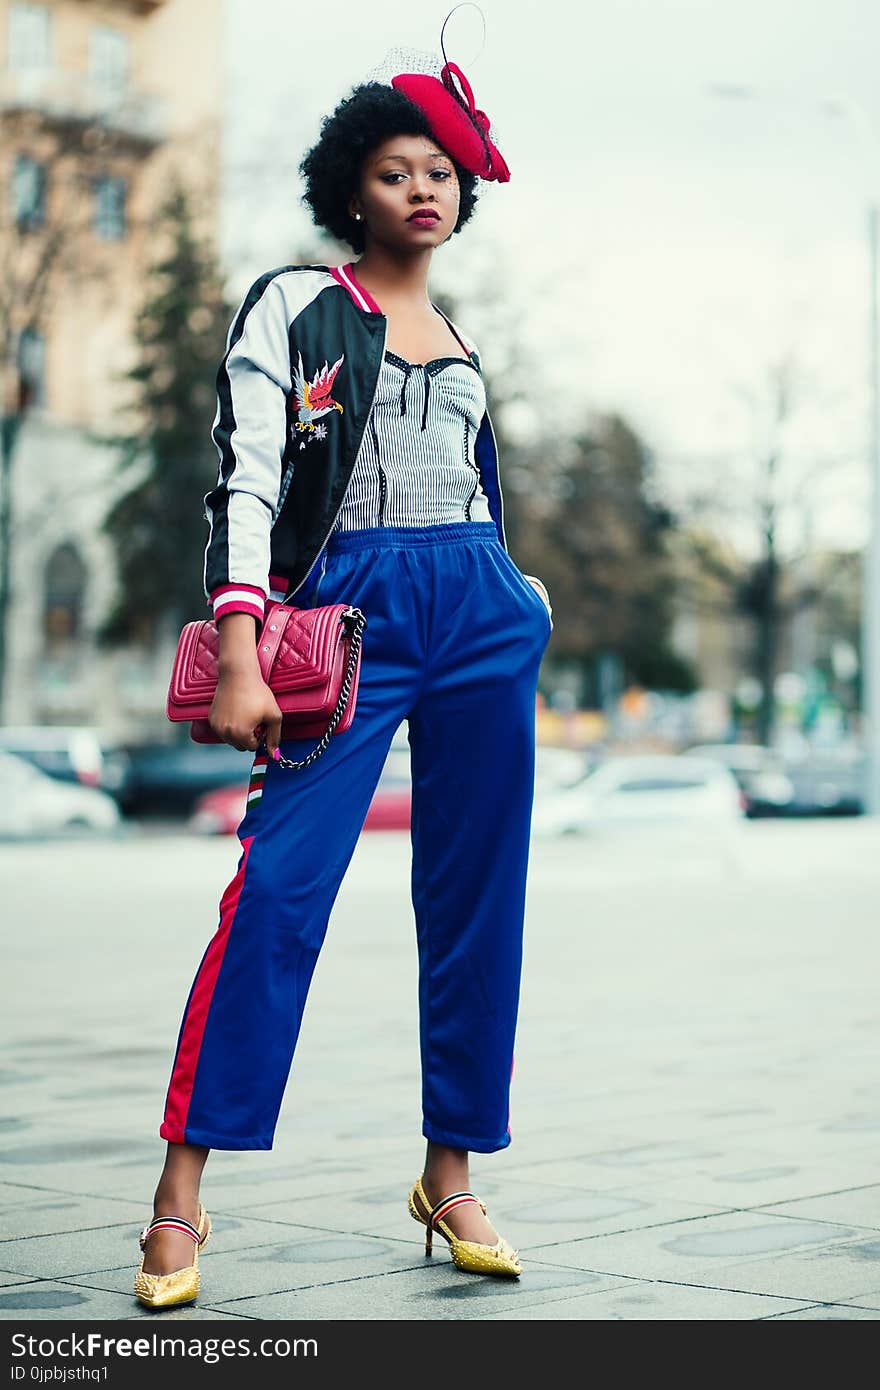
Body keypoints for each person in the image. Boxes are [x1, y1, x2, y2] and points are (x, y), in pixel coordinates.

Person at [134, 36, 553, 1311]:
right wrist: (243, 645)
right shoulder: (298, 304)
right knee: (279, 894)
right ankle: (177, 1199)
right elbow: (246, 477)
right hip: (347, 625)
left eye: (439, 172)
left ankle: (452, 1169)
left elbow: (471, 487)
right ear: (351, 188)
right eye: (393, 170)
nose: (422, 189)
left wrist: (519, 591)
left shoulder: (464, 336)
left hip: (479, 616)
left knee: (480, 902)